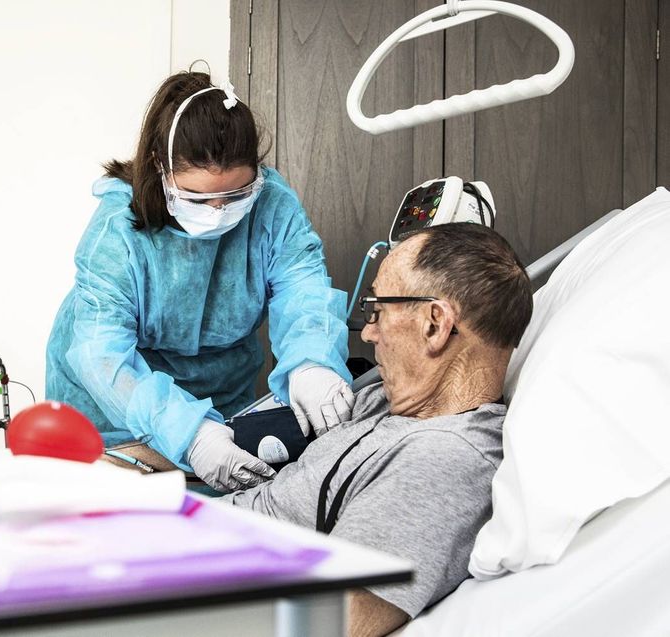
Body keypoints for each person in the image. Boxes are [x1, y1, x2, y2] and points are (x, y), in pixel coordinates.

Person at [45, 70, 353, 493]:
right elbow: (102, 354)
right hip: (117, 403)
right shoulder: (116, 233)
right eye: (198, 198)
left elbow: (304, 289)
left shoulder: (274, 206)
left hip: (225, 391)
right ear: (160, 167)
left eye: (235, 195)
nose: (218, 210)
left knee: (225, 498)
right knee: (116, 502)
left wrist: (312, 361)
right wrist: (191, 434)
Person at [225, 223, 534, 637]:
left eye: (378, 310)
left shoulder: (439, 464)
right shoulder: (389, 403)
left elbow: (329, 622)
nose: (368, 332)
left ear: (434, 324)